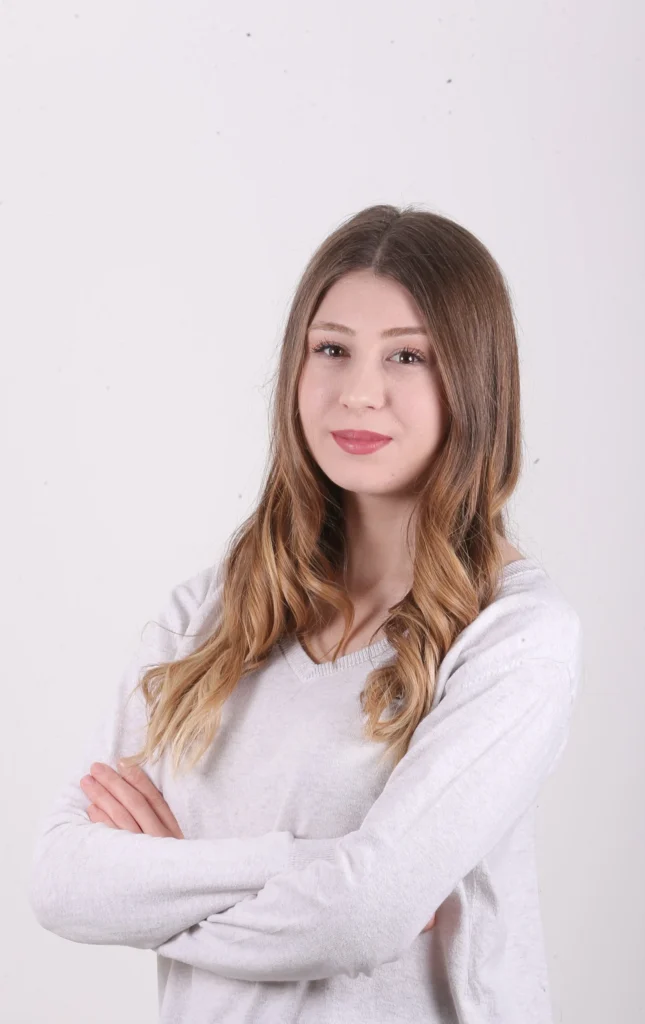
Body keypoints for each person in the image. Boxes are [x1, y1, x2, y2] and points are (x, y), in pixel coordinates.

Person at [28, 203, 583, 1023]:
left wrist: (162, 885)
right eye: (331, 349)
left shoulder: (513, 638)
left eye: (406, 356)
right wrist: (316, 867)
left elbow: (359, 919)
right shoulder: (210, 613)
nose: (359, 392)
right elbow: (62, 882)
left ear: (473, 382)